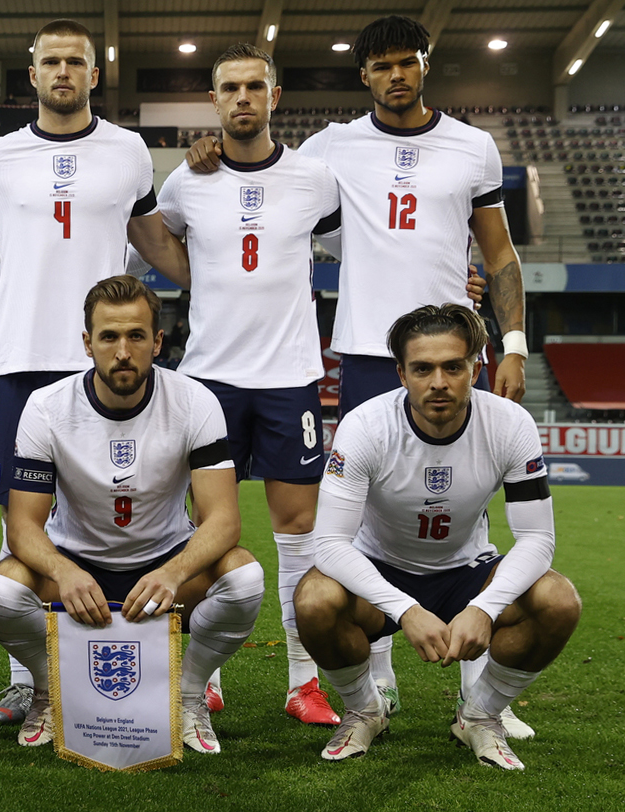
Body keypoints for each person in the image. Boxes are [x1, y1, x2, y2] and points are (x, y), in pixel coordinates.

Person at [186, 15, 526, 727]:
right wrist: (205, 155)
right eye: (381, 65)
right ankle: (371, 676)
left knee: (469, 509)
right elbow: (269, 189)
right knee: (359, 515)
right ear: (363, 74)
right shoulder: (329, 149)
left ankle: (473, 688)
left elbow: (497, 254)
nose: (396, 75)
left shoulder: (471, 147)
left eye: (407, 62)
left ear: (425, 65)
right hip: (369, 352)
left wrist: (513, 342)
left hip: (457, 352)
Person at [0, 18, 191, 725]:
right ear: (31, 76)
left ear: (94, 75)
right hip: (22, 360)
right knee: (15, 528)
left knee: (113, 509)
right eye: (50, 62)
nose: (63, 72)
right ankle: (29, 681)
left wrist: (236, 271)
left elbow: (157, 245)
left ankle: (144, 668)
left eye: (76, 62)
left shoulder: (126, 153)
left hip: (106, 364)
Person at [137, 43, 343, 726]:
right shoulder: (185, 181)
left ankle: (301, 681)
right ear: (214, 99)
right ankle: (208, 675)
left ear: (274, 97)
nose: (242, 98)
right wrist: (200, 278)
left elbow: (358, 242)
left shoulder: (315, 179)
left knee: (298, 531)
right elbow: (154, 238)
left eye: (255, 86)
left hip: (289, 379)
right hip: (208, 383)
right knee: (206, 532)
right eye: (230, 88)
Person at [295, 304, 581, 769]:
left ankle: (481, 715)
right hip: (380, 571)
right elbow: (329, 544)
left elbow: (536, 539)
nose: (439, 382)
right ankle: (366, 710)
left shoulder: (510, 424)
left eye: (454, 366)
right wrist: (404, 609)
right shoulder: (366, 425)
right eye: (422, 368)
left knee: (559, 600)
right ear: (401, 374)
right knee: (313, 599)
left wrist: (484, 608)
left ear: (476, 367)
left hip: (468, 572)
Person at [0, 276, 264, 754]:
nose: (122, 351)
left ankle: (189, 694)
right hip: (76, 567)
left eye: (136, 336)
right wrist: (63, 570)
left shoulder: (196, 401)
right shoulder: (47, 407)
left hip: (165, 562)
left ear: (158, 341)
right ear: (87, 343)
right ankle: (49, 691)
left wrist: (173, 573)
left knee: (245, 578)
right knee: (4, 588)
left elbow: (222, 519)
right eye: (109, 337)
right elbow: (23, 526)